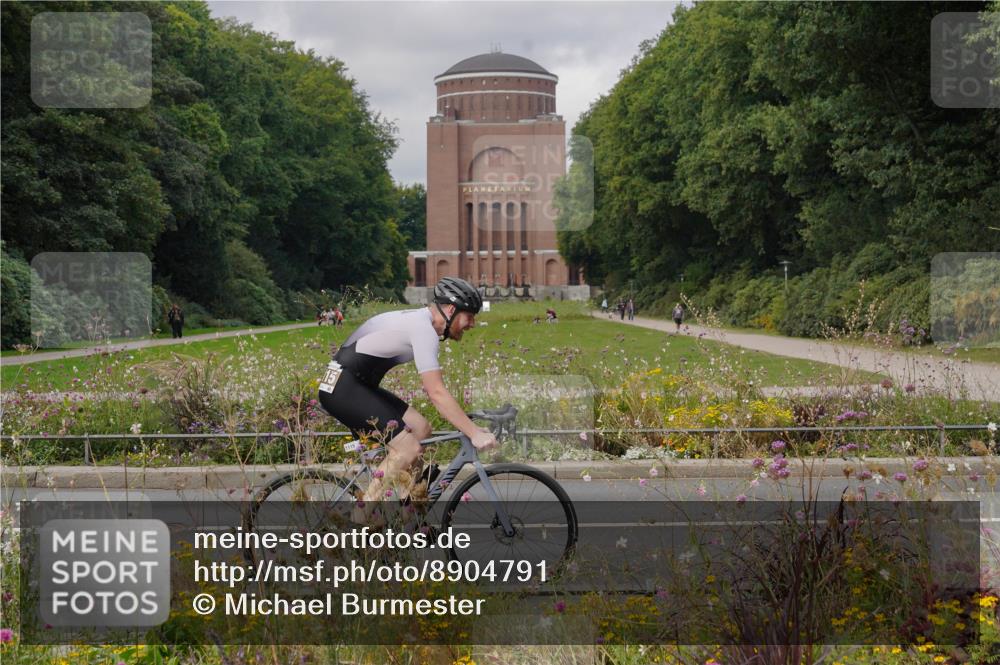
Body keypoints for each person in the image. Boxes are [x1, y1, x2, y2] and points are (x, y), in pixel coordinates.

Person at [317, 277, 497, 514]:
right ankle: (360, 514)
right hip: (343, 389)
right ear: (451, 309)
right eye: (469, 316)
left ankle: (410, 509)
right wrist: (473, 433)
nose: (472, 324)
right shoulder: (423, 330)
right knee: (407, 448)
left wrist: (471, 428)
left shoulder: (421, 322)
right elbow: (436, 392)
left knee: (421, 429)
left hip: (354, 384)